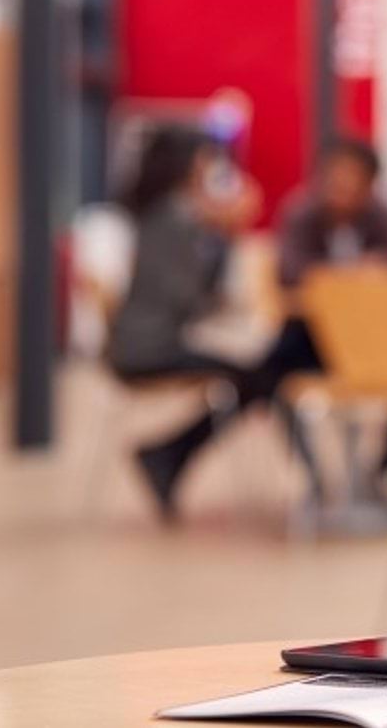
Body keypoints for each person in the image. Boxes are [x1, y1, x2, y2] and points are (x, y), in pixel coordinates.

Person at [106, 125, 269, 522]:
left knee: (256, 376)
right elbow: (190, 298)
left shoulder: (164, 212)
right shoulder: (176, 217)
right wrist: (226, 232)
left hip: (144, 341)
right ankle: (167, 455)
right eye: (205, 159)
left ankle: (168, 456)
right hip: (149, 347)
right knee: (258, 377)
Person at [264, 137, 387, 488]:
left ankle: (382, 472)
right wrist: (349, 278)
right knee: (266, 377)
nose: (340, 192)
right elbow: (290, 273)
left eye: (352, 184)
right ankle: (314, 479)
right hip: (313, 339)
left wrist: (376, 272)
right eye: (334, 181)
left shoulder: (383, 217)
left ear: (370, 186)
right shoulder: (303, 215)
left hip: (375, 342)